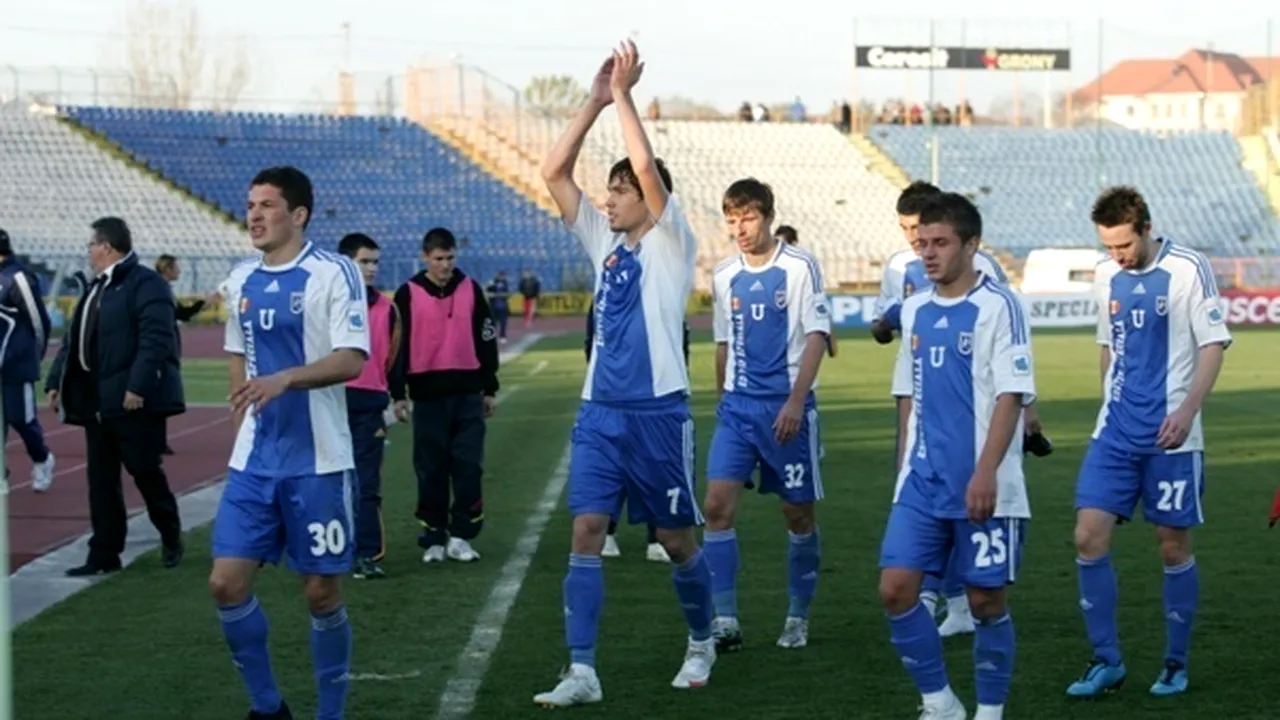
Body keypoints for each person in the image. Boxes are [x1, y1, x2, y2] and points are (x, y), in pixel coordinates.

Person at [533, 40, 715, 708]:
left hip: (659, 415)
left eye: (619, 191)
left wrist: (625, 96)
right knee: (586, 530)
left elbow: (643, 161)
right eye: (607, 190)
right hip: (600, 415)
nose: (608, 200)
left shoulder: (673, 241)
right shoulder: (602, 242)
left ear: (648, 197)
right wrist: (591, 99)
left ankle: (701, 640)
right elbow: (553, 169)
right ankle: (581, 669)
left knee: (675, 540)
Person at [209, 166, 369, 720]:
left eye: (268, 205)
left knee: (321, 593)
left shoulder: (335, 272)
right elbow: (237, 354)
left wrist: (286, 378)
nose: (254, 214)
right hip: (255, 463)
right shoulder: (241, 279)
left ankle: (331, 713)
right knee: (225, 584)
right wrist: (241, 429)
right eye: (250, 204)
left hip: (318, 462)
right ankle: (268, 708)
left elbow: (351, 359)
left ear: (298, 215)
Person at [1066, 186, 1230, 699]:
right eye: (1108, 246)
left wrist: (1185, 412)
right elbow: (1106, 346)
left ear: (1146, 227)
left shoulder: (1187, 268)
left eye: (1124, 245)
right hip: (1114, 432)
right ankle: (1106, 661)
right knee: (1087, 537)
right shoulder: (1105, 275)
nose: (1117, 255)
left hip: (1171, 436)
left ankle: (1175, 663)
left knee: (1171, 545)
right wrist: (1106, 405)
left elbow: (1212, 345)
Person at [877, 192, 1035, 720]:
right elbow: (909, 394)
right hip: (922, 481)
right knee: (896, 590)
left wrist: (986, 472)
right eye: (922, 243)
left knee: (987, 603)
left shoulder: (1000, 306)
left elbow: (1011, 394)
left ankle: (989, 712)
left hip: (983, 483)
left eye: (940, 243)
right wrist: (903, 469)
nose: (928, 253)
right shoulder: (915, 308)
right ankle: (939, 702)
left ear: (971, 244)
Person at [702, 178, 831, 653]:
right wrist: (722, 402)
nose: (739, 228)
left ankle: (797, 615)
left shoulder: (800, 267)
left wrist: (797, 401)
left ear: (769, 217)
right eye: (732, 219)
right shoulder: (723, 274)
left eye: (748, 217)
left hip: (786, 409)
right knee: (716, 507)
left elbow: (816, 334)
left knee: (797, 516)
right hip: (737, 410)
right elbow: (722, 343)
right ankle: (725, 619)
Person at [44, 217, 186, 576]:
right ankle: (104, 554)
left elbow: (156, 338)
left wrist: (136, 386)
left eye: (91, 245)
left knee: (144, 471)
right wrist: (56, 379)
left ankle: (170, 533)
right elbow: (76, 338)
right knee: (101, 481)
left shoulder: (145, 284)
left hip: (130, 400)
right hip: (96, 401)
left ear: (106, 247)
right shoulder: (97, 287)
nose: (89, 252)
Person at [390, 227, 499, 564]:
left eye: (450, 258)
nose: (445, 265)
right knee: (431, 469)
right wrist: (398, 394)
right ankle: (433, 535)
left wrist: (490, 388)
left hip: (467, 394)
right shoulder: (407, 294)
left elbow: (486, 339)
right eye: (439, 259)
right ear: (425, 257)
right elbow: (397, 348)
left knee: (468, 467)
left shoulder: (470, 290)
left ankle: (462, 536)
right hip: (427, 396)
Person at [584, 296, 683, 563]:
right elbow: (592, 341)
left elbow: (678, 342)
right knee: (616, 469)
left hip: (655, 402)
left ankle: (655, 539)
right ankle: (609, 533)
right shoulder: (605, 293)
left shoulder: (665, 289)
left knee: (653, 470)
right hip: (614, 400)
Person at [339, 233, 401, 580]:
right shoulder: (327, 302)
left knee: (367, 484)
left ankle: (366, 553)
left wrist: (391, 391)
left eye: (375, 262)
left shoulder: (387, 309)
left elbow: (392, 355)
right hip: (330, 404)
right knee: (327, 482)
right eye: (365, 261)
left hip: (368, 406)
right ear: (346, 263)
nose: (372, 268)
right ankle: (328, 550)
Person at [0, 228, 55, 491]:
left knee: (22, 419)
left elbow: (38, 321)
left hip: (15, 365)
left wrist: (34, 356)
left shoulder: (17, 278)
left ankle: (42, 458)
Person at [155, 254, 219, 455]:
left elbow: (181, 313)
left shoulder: (164, 289)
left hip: (166, 349)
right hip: (160, 350)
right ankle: (153, 441)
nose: (180, 271)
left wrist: (203, 303)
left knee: (162, 396)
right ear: (167, 269)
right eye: (176, 267)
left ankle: (158, 440)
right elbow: (180, 314)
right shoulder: (159, 290)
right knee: (156, 395)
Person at [774, 224, 836, 359]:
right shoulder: (770, 273)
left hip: (800, 352)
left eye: (784, 244)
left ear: (794, 244)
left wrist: (830, 339)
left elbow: (820, 307)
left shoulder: (805, 270)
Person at [487, 270, 512, 344]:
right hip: (494, 307)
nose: (503, 277)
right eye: (501, 276)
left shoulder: (506, 283)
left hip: (503, 307)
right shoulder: (492, 282)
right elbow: (487, 292)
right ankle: (492, 337)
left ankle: (502, 336)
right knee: (493, 323)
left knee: (503, 323)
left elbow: (508, 294)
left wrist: (504, 295)